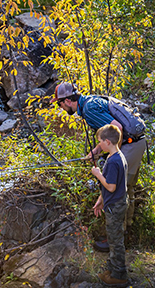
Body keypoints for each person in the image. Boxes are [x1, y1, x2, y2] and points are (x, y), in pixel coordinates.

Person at [51, 82, 147, 250]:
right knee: (126, 188)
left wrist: (113, 157)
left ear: (67, 101)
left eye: (59, 104)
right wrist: (96, 151)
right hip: (138, 143)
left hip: (129, 147)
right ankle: (126, 233)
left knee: (114, 190)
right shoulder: (91, 101)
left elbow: (117, 128)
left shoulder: (88, 110)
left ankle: (115, 240)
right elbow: (112, 131)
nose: (61, 108)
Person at [90, 124, 129, 287]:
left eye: (100, 142)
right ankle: (114, 268)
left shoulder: (113, 162)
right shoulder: (118, 156)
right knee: (114, 237)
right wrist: (101, 199)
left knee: (115, 240)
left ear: (107, 142)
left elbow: (111, 186)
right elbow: (115, 186)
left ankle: (119, 275)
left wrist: (98, 175)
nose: (99, 145)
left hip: (115, 206)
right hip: (116, 202)